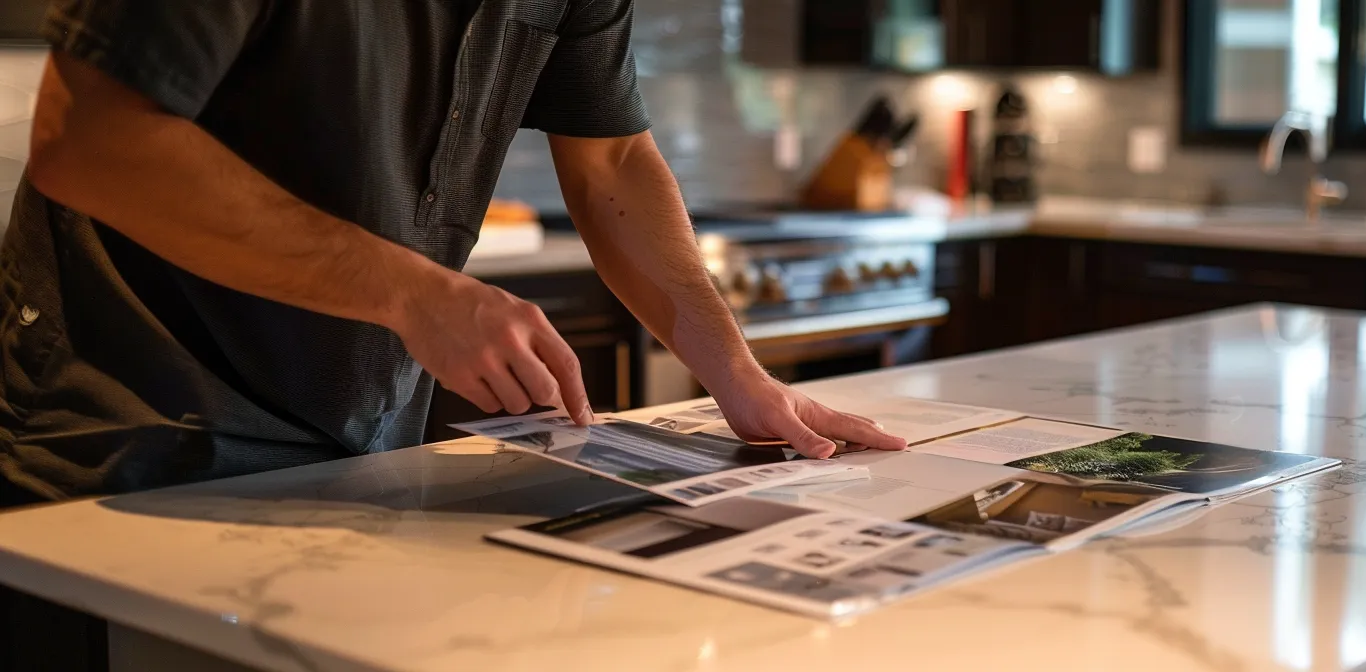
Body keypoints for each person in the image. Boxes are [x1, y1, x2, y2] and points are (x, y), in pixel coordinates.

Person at [0, 0, 906, 665]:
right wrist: (411, 291)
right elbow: (92, 141)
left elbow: (614, 161)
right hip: (128, 442)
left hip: (355, 460)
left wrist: (737, 376)